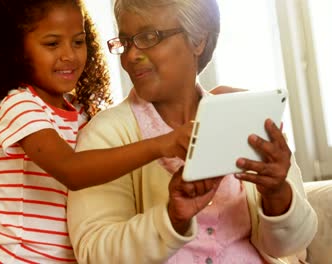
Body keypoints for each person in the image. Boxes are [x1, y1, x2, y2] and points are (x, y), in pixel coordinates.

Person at [0, 0, 209, 262]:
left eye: (78, 41)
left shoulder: (80, 112)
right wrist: (160, 144)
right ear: (15, 50)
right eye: (52, 44)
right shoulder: (19, 105)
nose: (69, 55)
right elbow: (72, 170)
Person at [67, 0, 318, 263]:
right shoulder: (105, 135)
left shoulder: (249, 119)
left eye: (149, 37)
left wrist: (278, 193)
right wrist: (172, 218)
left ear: (198, 40)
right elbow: (94, 252)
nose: (130, 57)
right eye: (126, 41)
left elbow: (292, 247)